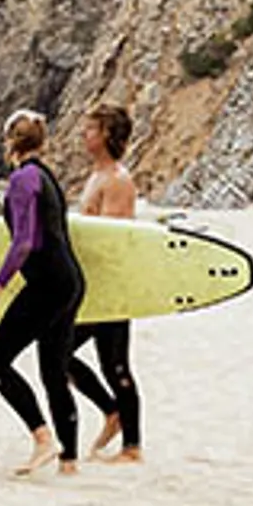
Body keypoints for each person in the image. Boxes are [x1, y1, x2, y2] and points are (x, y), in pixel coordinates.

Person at [0, 108, 106, 476]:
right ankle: (69, 463)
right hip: (70, 281)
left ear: (9, 142)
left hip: (47, 283)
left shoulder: (21, 179)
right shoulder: (46, 177)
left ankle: (43, 438)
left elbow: (24, 241)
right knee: (53, 370)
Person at [73, 103, 146, 464]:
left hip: (111, 289)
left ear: (107, 136)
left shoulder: (118, 180)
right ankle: (113, 415)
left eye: (90, 128)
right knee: (91, 360)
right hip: (95, 288)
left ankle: (131, 446)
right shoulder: (97, 175)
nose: (83, 133)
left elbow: (111, 240)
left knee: (115, 365)